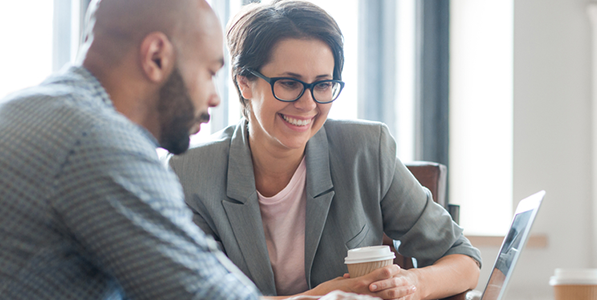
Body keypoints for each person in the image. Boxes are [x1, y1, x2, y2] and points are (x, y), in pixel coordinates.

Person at [167, 1, 482, 299]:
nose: (308, 104)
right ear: (244, 83)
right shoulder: (190, 172)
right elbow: (195, 292)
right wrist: (320, 296)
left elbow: (462, 257)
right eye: (289, 83)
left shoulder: (365, 151)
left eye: (322, 84)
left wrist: (411, 283)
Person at [1, 0, 268, 299]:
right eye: (210, 72)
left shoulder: (25, 108)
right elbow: (204, 292)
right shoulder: (99, 142)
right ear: (156, 57)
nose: (215, 98)